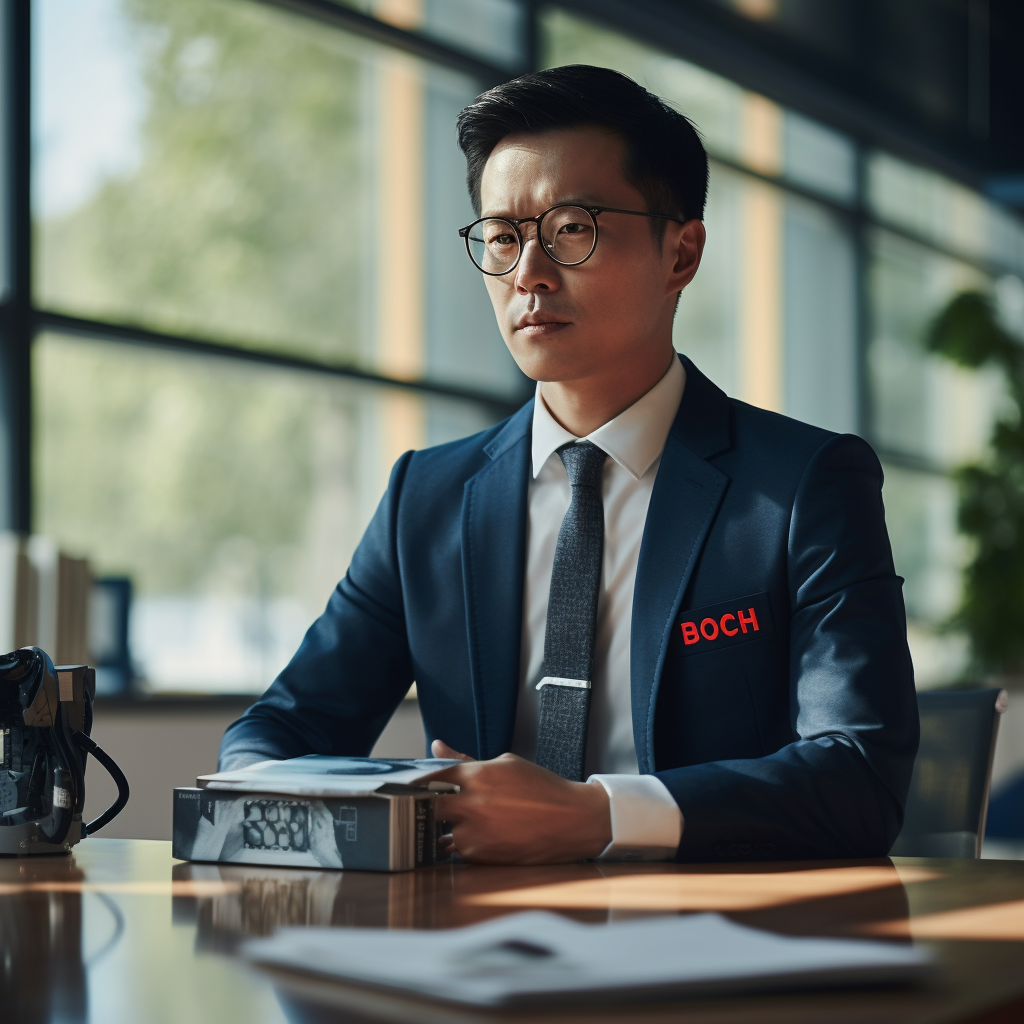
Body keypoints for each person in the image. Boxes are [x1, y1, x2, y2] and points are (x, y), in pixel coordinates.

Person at [220, 65, 919, 865]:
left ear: (680, 253)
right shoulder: (429, 496)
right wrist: (339, 800)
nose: (528, 273)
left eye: (572, 229)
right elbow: (277, 732)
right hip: (475, 947)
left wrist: (599, 815)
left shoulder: (803, 487)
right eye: (503, 236)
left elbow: (860, 775)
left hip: (717, 943)